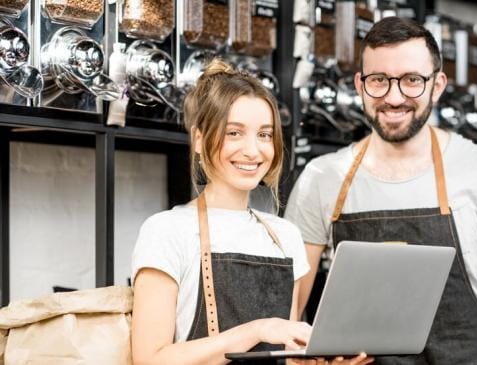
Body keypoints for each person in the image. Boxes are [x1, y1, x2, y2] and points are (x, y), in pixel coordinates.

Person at [285, 17, 477, 364]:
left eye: (411, 81)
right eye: (379, 80)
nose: (394, 97)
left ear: (437, 85)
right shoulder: (322, 178)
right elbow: (290, 312)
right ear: (360, 86)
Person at [130, 60, 372, 365]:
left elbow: (287, 356)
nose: (253, 150)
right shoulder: (167, 230)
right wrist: (258, 330)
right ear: (200, 140)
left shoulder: (285, 236)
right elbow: (150, 360)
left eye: (265, 135)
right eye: (234, 133)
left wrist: (323, 361)